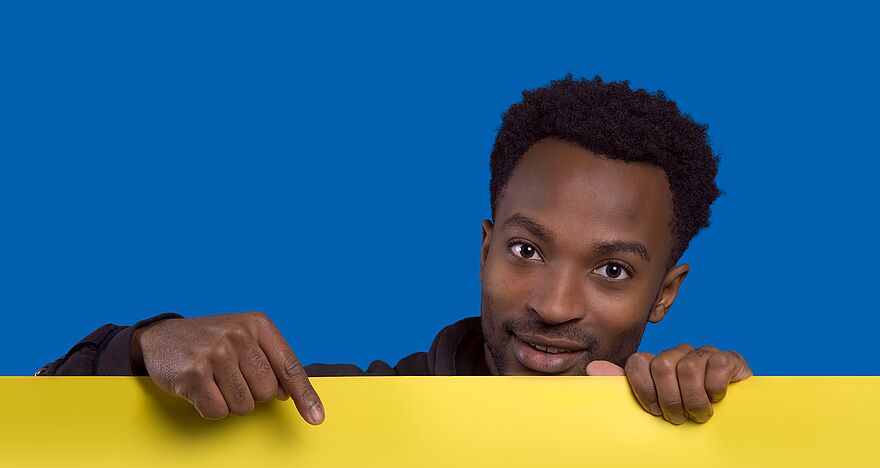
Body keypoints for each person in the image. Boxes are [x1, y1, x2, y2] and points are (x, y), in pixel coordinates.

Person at [39, 75, 752, 425]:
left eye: (611, 269)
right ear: (485, 248)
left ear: (664, 294)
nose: (553, 304)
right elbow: (35, 443)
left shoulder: (686, 429)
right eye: (527, 250)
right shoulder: (331, 417)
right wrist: (142, 348)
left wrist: (740, 428)